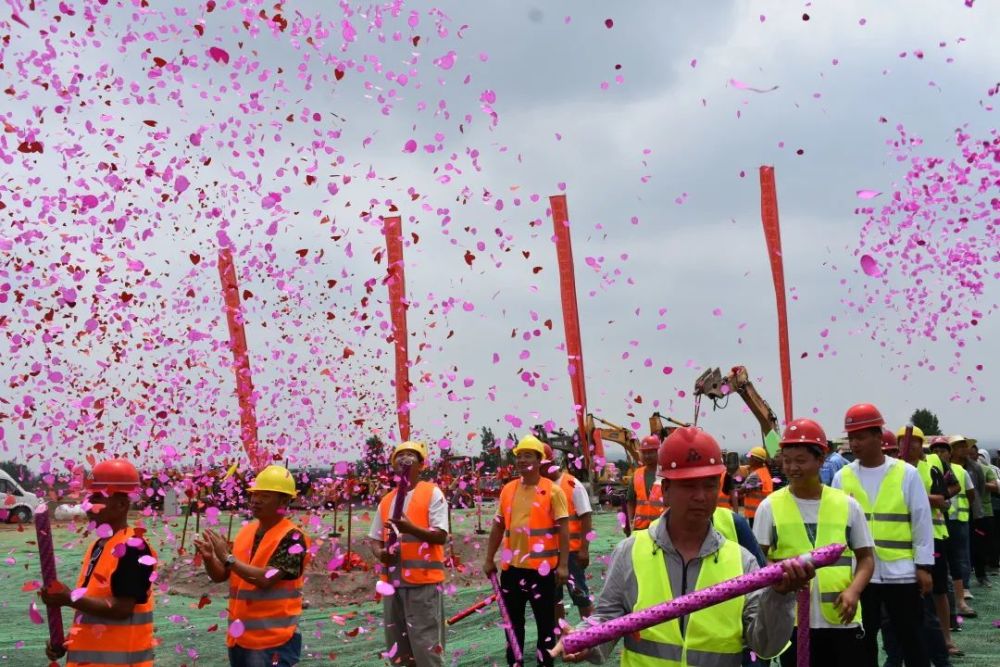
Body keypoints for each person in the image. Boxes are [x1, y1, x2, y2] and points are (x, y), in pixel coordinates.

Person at [553, 426, 813, 665]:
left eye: (710, 485)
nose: (700, 496)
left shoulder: (742, 561)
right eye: (688, 486)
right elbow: (607, 619)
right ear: (665, 490)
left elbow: (766, 646)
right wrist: (585, 638)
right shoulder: (631, 552)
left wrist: (779, 598)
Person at [751, 419, 875, 667]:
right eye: (787, 460)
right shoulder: (770, 507)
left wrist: (854, 591)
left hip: (841, 620)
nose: (792, 468)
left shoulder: (847, 505)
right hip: (793, 622)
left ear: (820, 460)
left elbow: (866, 558)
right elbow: (757, 561)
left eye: (800, 460)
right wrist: (777, 575)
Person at [832, 403, 934, 667]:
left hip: (902, 573)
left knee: (912, 640)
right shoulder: (842, 477)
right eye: (851, 437)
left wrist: (923, 566)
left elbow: (922, 522)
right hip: (861, 577)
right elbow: (837, 529)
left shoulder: (906, 474)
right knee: (862, 643)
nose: (855, 443)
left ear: (879, 436)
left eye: (861, 436)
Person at [39, 459, 156, 667]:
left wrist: (68, 598)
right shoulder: (98, 546)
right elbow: (94, 609)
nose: (88, 505)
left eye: (96, 498)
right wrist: (68, 641)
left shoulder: (132, 547)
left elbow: (122, 609)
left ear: (121, 505)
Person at [195, 464, 310, 667]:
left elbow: (266, 579)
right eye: (254, 494)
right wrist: (210, 558)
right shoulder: (246, 533)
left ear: (284, 501)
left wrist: (228, 557)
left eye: (264, 495)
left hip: (273, 641)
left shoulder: (292, 538)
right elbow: (222, 575)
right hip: (240, 637)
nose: (255, 500)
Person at [483, 435, 569, 667]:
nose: (522, 460)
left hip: (542, 572)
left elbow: (563, 529)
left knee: (545, 625)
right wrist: (489, 558)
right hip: (512, 571)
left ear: (540, 459)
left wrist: (563, 565)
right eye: (519, 456)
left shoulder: (552, 491)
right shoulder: (508, 489)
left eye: (527, 455)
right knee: (513, 626)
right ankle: (515, 663)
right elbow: (499, 525)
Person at [882, 426, 961, 664]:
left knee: (934, 597)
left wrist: (917, 495)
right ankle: (896, 657)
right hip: (898, 549)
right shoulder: (889, 473)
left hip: (932, 539)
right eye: (907, 442)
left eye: (916, 441)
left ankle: (944, 645)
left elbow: (944, 499)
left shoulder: (929, 467)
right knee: (896, 614)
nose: (911, 446)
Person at [367, 441, 448, 666]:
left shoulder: (432, 493)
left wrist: (409, 528)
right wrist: (379, 552)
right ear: (393, 465)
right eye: (400, 456)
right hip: (393, 584)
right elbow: (374, 538)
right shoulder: (387, 500)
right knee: (399, 651)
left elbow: (441, 535)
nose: (405, 460)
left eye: (411, 455)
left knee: (426, 646)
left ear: (421, 465)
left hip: (422, 584)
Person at [540, 444, 595, 621]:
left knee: (580, 595)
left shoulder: (572, 485)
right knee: (554, 598)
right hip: (549, 553)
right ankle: (561, 637)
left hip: (572, 552)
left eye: (541, 466)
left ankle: (591, 635)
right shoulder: (541, 486)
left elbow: (586, 517)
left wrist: (584, 549)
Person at [941, 435, 977, 617]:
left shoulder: (961, 471)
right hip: (940, 520)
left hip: (958, 518)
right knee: (948, 557)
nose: (964, 450)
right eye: (960, 446)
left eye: (943, 450)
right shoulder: (932, 469)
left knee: (960, 555)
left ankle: (964, 588)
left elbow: (971, 494)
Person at [968, 441, 996, 589]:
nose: (970, 456)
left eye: (973, 454)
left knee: (981, 544)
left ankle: (982, 573)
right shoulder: (957, 468)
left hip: (982, 513)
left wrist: (976, 485)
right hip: (962, 514)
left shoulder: (983, 469)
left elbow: (994, 486)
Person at [627, 435, 665, 532]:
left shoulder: (666, 474)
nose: (647, 456)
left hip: (661, 527)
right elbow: (631, 501)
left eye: (651, 452)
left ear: (659, 452)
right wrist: (631, 521)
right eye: (644, 453)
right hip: (640, 528)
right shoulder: (636, 474)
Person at [740, 447, 773, 526]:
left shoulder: (755, 475)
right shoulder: (764, 471)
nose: (749, 459)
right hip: (763, 511)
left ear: (755, 460)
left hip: (755, 512)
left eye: (750, 457)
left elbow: (742, 490)